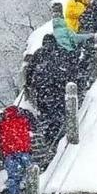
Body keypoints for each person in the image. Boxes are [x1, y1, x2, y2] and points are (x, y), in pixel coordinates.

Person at [25, 34, 69, 162]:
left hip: (42, 90)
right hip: (58, 88)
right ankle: (57, 136)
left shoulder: (39, 53)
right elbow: (69, 67)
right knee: (59, 113)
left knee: (47, 114)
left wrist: (29, 84)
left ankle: (49, 137)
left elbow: (30, 70)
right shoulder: (61, 52)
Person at [0, 106, 36, 194]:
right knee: (30, 172)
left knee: (13, 175)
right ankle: (31, 192)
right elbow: (34, 125)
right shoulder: (24, 118)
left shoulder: (1, 121)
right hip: (24, 150)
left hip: (9, 152)